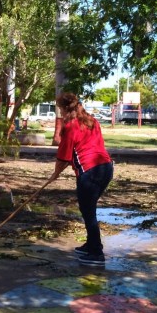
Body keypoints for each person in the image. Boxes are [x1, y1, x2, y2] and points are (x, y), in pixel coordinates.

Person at [48, 93, 114, 267]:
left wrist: (55, 174)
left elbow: (64, 156)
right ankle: (91, 245)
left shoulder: (71, 126)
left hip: (90, 170)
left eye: (60, 109)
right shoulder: (92, 121)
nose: (60, 112)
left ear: (65, 108)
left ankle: (96, 254)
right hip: (106, 168)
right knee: (88, 209)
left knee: (88, 212)